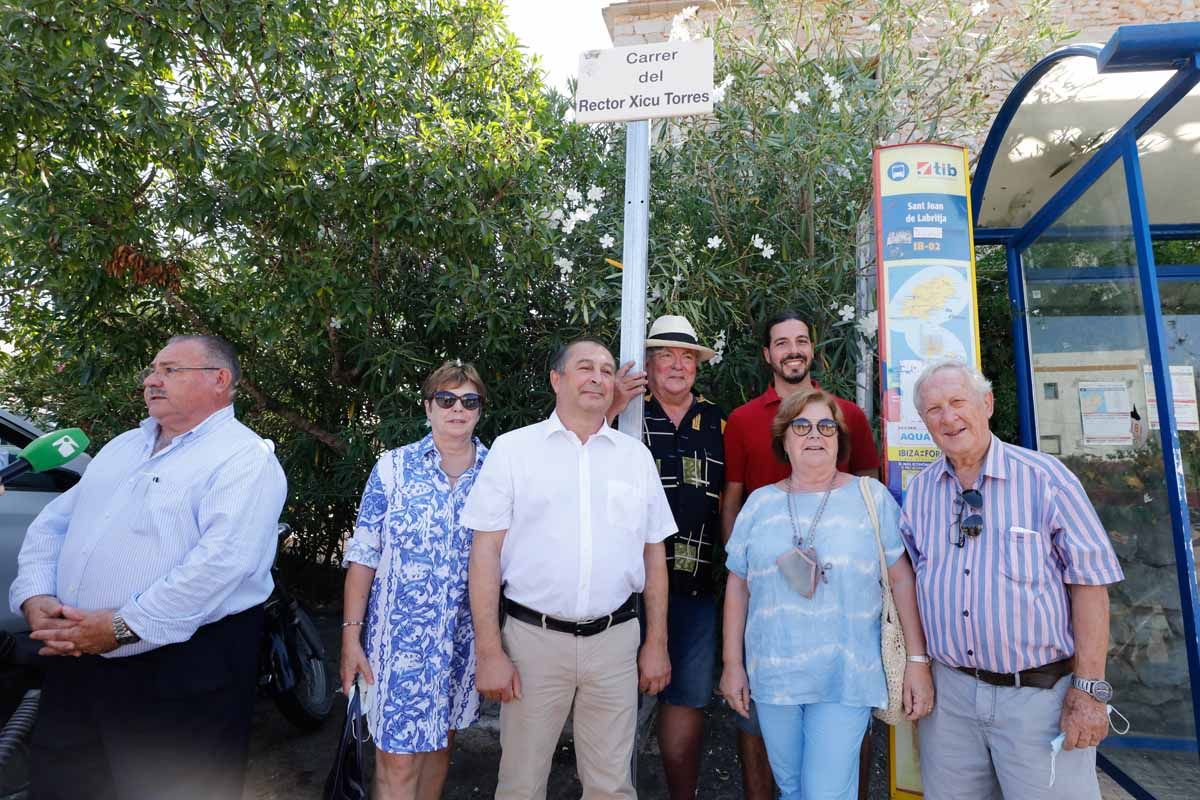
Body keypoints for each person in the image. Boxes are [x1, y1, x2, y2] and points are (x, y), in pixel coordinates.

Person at [10, 334, 287, 800]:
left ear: (219, 380)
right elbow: (54, 524)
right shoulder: (123, 446)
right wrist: (36, 595)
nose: (152, 379)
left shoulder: (244, 459)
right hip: (78, 658)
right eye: (152, 369)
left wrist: (122, 626)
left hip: (180, 670)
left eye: (170, 369)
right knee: (66, 782)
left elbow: (222, 563)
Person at [901, 358, 1124, 800]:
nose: (948, 417)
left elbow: (1091, 585)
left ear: (986, 403)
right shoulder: (920, 492)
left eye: (958, 402)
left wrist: (1090, 691)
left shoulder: (1046, 479)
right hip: (952, 701)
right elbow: (910, 581)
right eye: (933, 409)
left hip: (1040, 700)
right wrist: (920, 665)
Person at [463, 337, 676, 800]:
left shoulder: (634, 457)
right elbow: (484, 555)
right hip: (532, 643)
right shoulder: (513, 451)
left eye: (605, 369)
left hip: (615, 643)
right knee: (520, 784)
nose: (598, 377)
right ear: (556, 379)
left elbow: (654, 556)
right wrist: (489, 651)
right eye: (585, 367)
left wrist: (656, 642)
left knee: (612, 786)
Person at [719, 386, 932, 800]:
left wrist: (917, 661)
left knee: (824, 793)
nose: (814, 434)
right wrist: (732, 665)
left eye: (825, 426)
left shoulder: (870, 498)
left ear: (839, 439)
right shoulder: (759, 504)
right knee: (793, 788)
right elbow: (737, 585)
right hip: (774, 676)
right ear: (784, 438)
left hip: (846, 675)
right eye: (801, 426)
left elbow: (902, 579)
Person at [721, 309, 881, 799]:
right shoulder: (745, 420)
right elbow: (732, 499)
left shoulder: (848, 413)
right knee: (787, 773)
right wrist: (743, 569)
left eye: (801, 341)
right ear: (767, 354)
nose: (793, 350)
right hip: (774, 625)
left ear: (813, 350)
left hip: (841, 631)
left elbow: (873, 503)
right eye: (782, 342)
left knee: (831, 772)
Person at [340, 360, 489, 800]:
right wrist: (351, 636)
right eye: (446, 399)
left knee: (441, 747)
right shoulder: (392, 468)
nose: (456, 408)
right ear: (428, 407)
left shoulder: (499, 472)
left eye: (468, 400)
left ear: (480, 409)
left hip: (463, 641)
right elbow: (364, 554)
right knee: (398, 760)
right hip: (397, 645)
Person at [608, 315, 726, 800]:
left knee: (687, 700)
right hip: (623, 590)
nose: (677, 365)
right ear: (650, 366)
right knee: (612, 704)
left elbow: (733, 502)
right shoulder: (624, 417)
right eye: (665, 356)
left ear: (697, 365)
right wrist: (613, 405)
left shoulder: (723, 422)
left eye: (687, 357)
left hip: (697, 587)